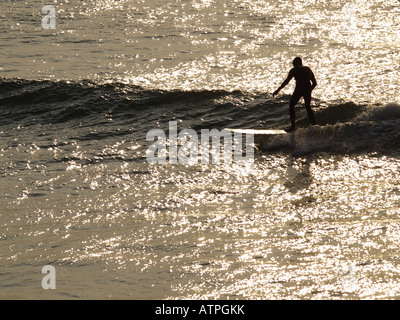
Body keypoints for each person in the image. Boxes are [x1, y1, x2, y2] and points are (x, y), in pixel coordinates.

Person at [273, 57, 317, 132]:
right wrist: (310, 90)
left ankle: (293, 127)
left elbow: (286, 81)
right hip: (307, 89)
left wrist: (278, 90)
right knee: (308, 107)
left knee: (291, 106)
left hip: (299, 89)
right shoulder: (308, 69)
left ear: (296, 63)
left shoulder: (294, 70)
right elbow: (315, 83)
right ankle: (314, 126)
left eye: (293, 63)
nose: (292, 64)